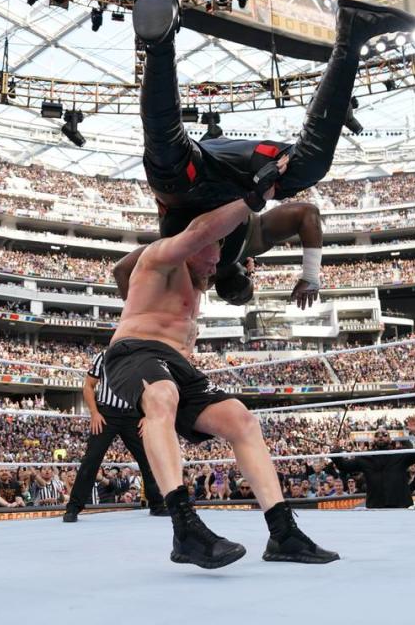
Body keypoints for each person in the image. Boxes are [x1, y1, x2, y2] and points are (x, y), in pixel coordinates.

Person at [130, 0, 415, 304]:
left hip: (205, 188)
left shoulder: (222, 254)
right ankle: (160, 42)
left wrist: (309, 274)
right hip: (218, 177)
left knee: (306, 166)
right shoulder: (242, 245)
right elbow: (122, 271)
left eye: (210, 268)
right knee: (164, 138)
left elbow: (206, 231)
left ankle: (353, 33)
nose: (215, 262)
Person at [103, 198, 338, 567]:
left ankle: (283, 533)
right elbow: (200, 231)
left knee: (240, 419)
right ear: (191, 245)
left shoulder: (199, 282)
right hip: (134, 352)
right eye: (211, 253)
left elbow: (216, 263)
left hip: (179, 365)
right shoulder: (161, 257)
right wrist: (251, 197)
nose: (216, 262)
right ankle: (185, 529)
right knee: (161, 396)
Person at [115, 202, 324, 307]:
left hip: (211, 168)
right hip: (174, 184)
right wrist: (136, 313)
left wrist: (310, 277)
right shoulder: (180, 261)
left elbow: (308, 213)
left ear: (246, 271)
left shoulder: (253, 241)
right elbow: (120, 270)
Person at [63, 350, 167, 522]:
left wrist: (147, 415)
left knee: (148, 457)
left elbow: (150, 390)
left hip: (133, 414)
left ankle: (156, 504)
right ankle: (73, 507)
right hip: (106, 414)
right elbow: (89, 385)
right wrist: (94, 412)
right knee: (92, 459)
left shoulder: (142, 356)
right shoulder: (103, 356)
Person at [332, 419, 415, 508]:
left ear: (390, 439)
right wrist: (335, 451)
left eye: (384, 434)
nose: (380, 436)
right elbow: (343, 466)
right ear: (373, 440)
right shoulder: (364, 457)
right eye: (377, 435)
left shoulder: (400, 453)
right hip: (376, 506)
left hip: (400, 504)